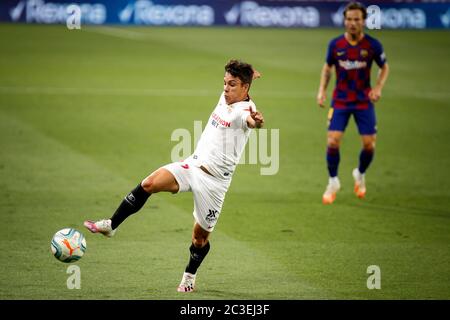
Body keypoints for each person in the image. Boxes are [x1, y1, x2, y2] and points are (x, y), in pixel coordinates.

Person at [84, 59, 264, 292]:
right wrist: (251, 73)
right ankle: (111, 225)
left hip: (215, 184)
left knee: (200, 238)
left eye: (232, 85)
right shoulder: (228, 96)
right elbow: (241, 81)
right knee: (149, 183)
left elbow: (250, 121)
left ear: (245, 88)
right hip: (193, 165)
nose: (225, 89)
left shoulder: (245, 111)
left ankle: (189, 276)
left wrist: (256, 122)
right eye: (224, 83)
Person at [317, 1, 389, 204]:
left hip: (363, 102)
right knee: (332, 140)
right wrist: (322, 90)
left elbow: (384, 68)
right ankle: (333, 182)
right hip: (340, 100)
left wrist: (378, 88)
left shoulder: (373, 45)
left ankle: (360, 173)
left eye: (357, 19)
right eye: (349, 19)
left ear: (364, 21)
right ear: (344, 21)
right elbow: (327, 68)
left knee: (369, 146)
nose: (352, 23)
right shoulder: (336, 44)